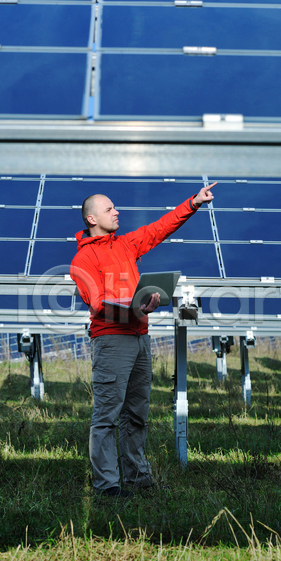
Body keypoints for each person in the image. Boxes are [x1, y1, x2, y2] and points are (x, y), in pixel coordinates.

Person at [70, 182, 217, 497]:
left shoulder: (125, 244)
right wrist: (137, 306)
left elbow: (159, 229)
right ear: (92, 219)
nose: (116, 211)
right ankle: (107, 485)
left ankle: (138, 477)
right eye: (109, 209)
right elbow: (97, 303)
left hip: (140, 339)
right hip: (111, 341)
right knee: (107, 414)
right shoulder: (82, 261)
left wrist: (193, 203)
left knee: (137, 412)